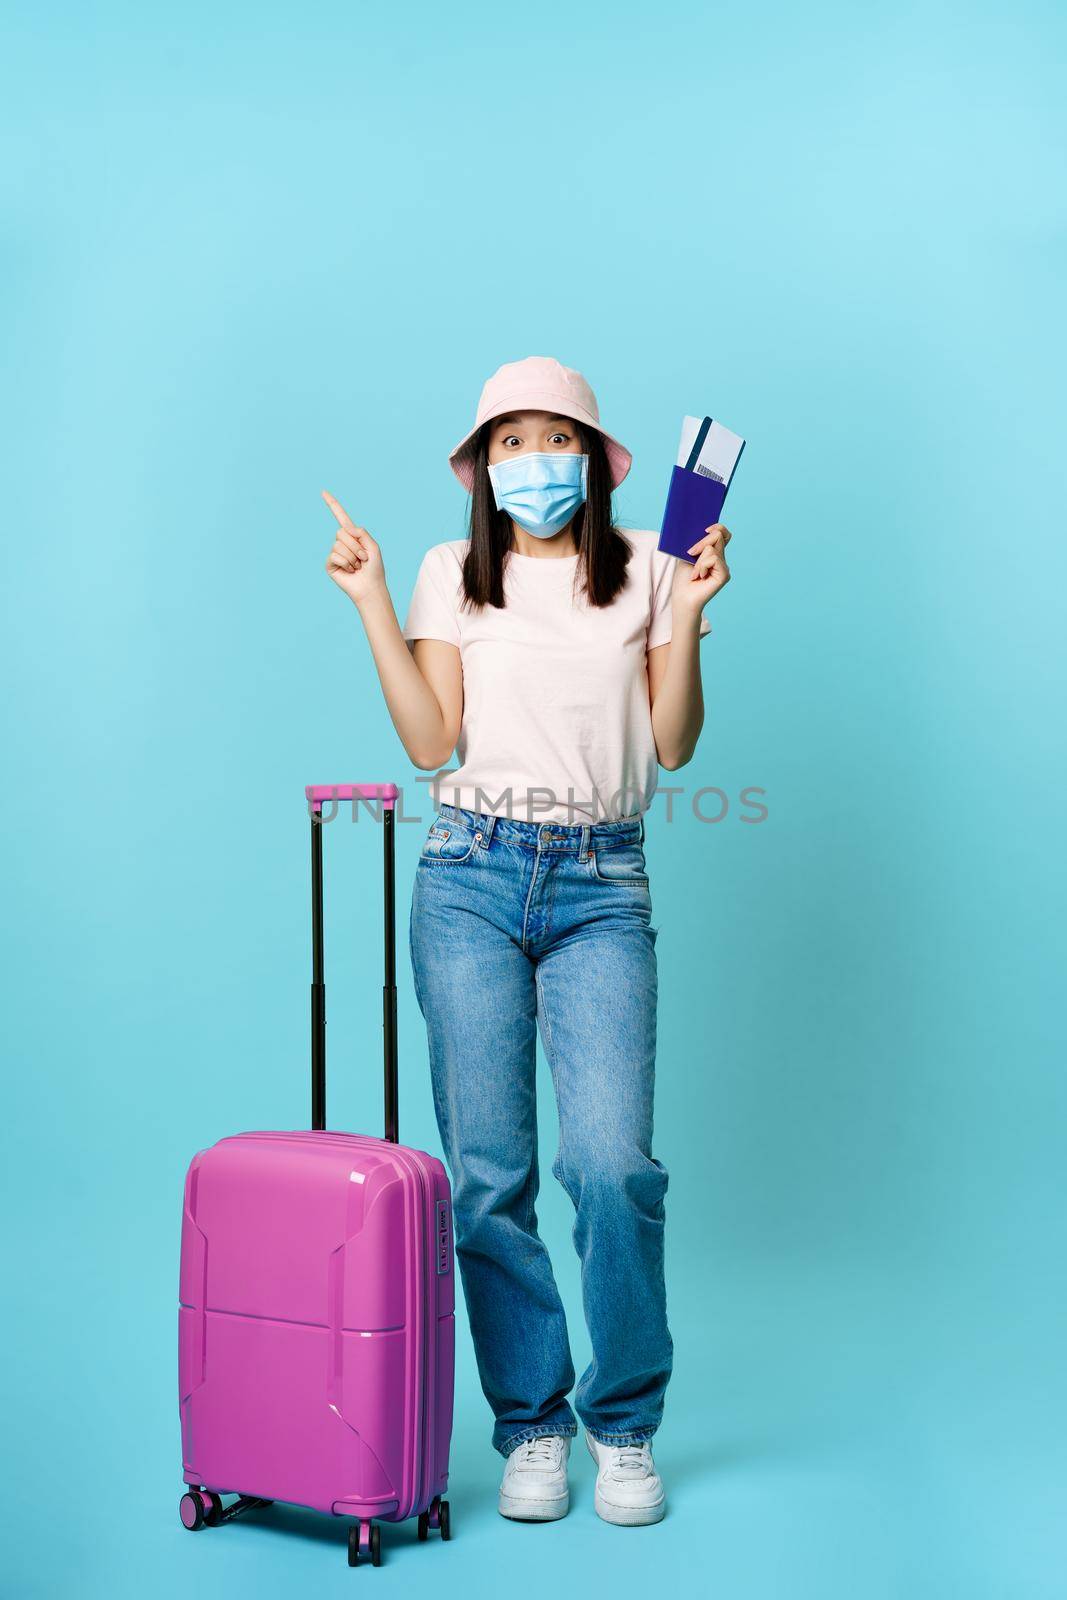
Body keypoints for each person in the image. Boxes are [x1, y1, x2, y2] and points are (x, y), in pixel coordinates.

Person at [322, 355, 732, 1527]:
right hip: (469, 875)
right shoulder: (456, 572)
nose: (529, 459)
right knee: (488, 1180)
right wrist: (370, 601)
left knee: (611, 1167)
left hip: (602, 882)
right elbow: (427, 741)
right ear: (482, 466)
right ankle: (533, 1425)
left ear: (591, 460)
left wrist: (689, 619)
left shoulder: (652, 567)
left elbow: (675, 743)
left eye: (551, 437)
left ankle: (625, 1422)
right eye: (507, 442)